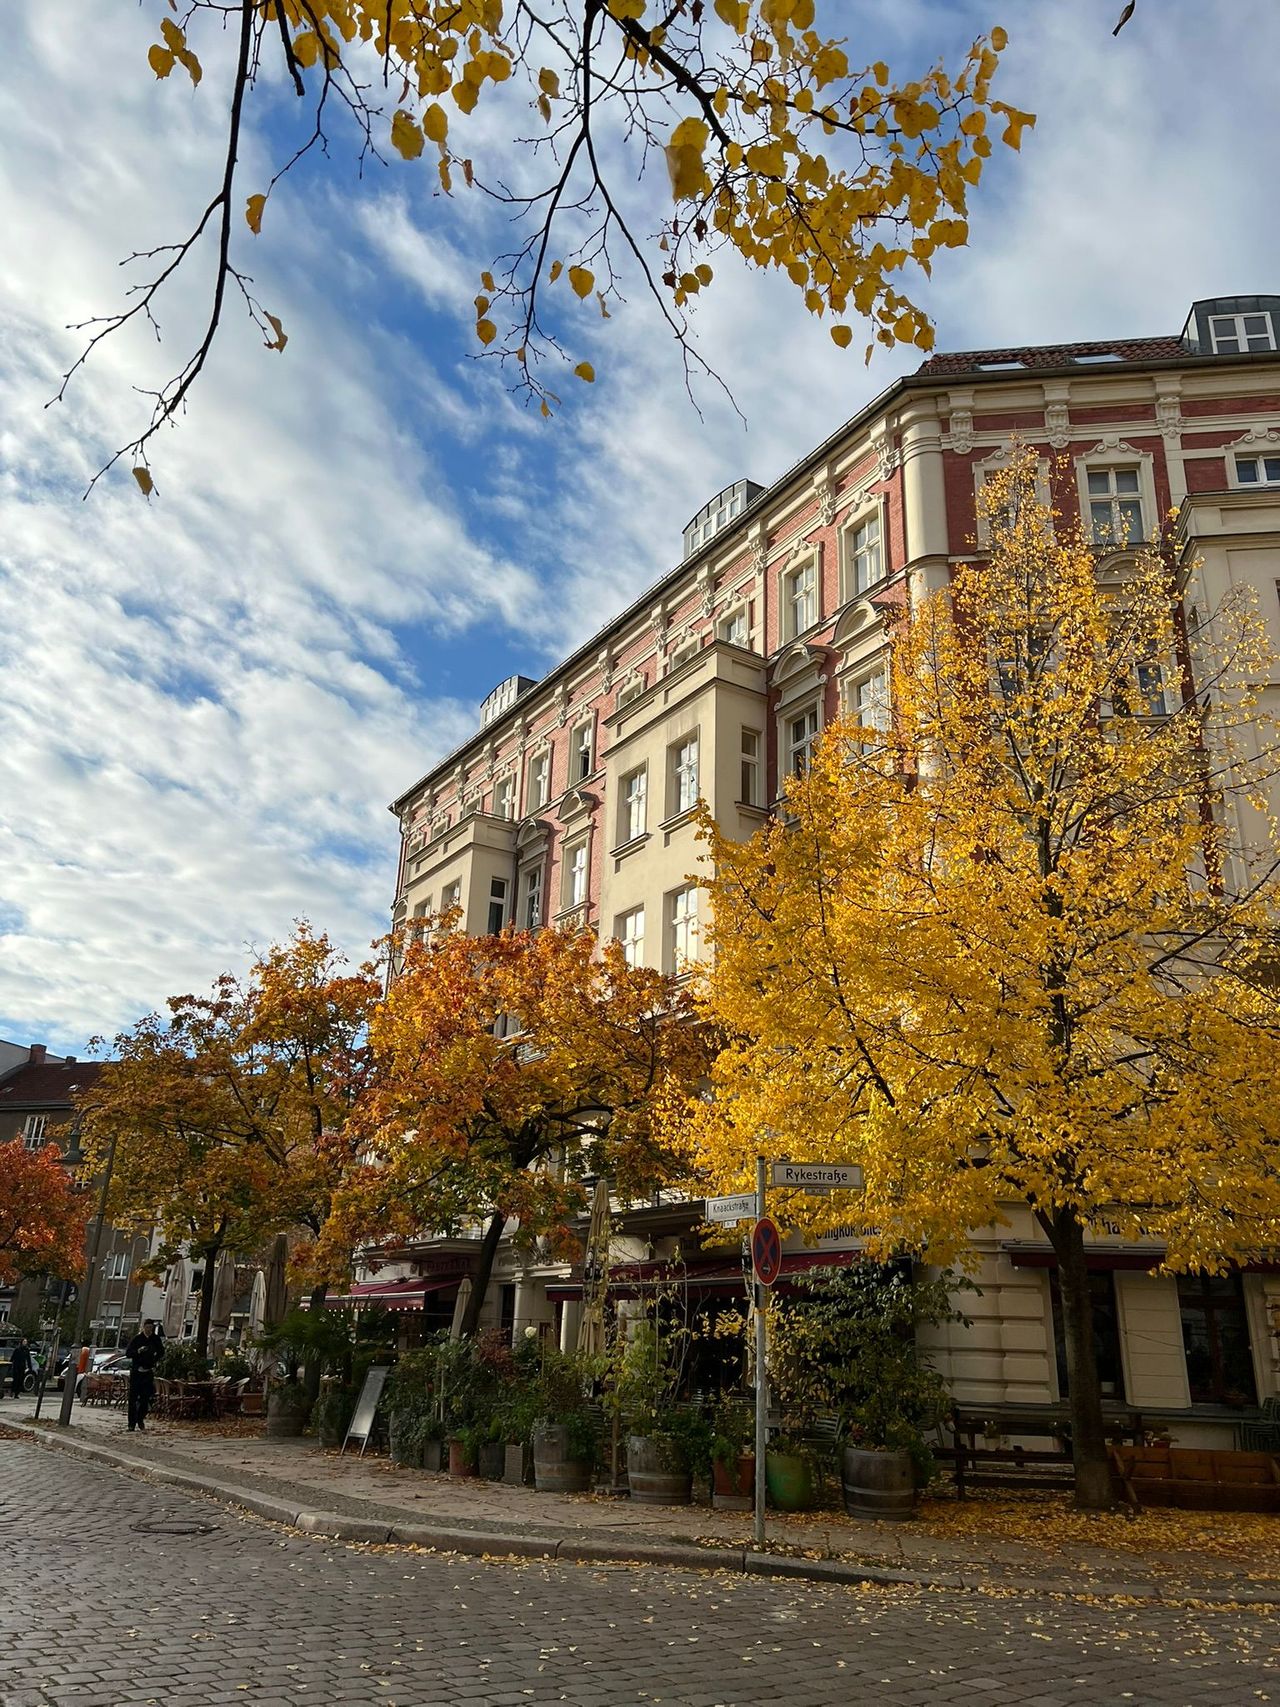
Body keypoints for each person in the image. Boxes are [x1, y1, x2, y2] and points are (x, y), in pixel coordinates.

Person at [124, 1318, 162, 1431]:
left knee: (145, 1399)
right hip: (137, 1372)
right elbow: (128, 1353)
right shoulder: (137, 1339)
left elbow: (161, 1351)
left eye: (151, 1328)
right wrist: (138, 1351)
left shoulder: (155, 1339)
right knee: (133, 1398)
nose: (149, 1330)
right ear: (144, 1327)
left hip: (148, 1372)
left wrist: (155, 1358)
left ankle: (140, 1419)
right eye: (147, 1327)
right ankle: (131, 1424)